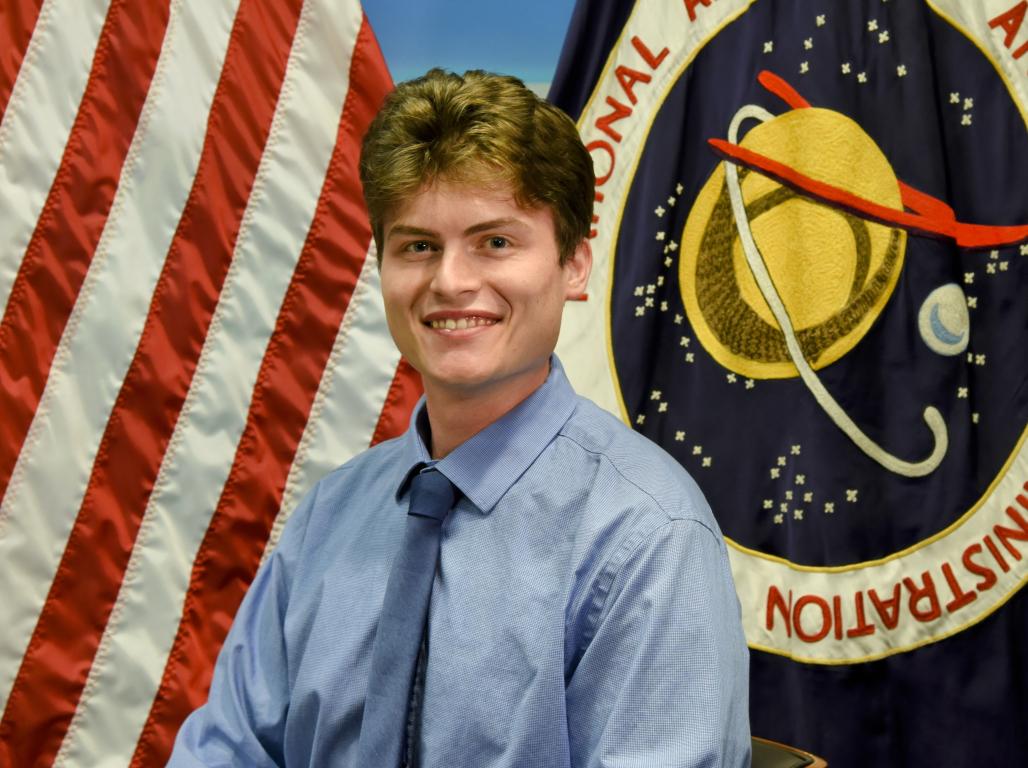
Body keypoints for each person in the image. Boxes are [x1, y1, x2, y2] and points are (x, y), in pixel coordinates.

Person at [168, 69, 750, 767]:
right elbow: (225, 752)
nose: (450, 281)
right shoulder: (329, 516)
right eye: (418, 246)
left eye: (495, 242)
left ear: (574, 265)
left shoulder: (648, 536)